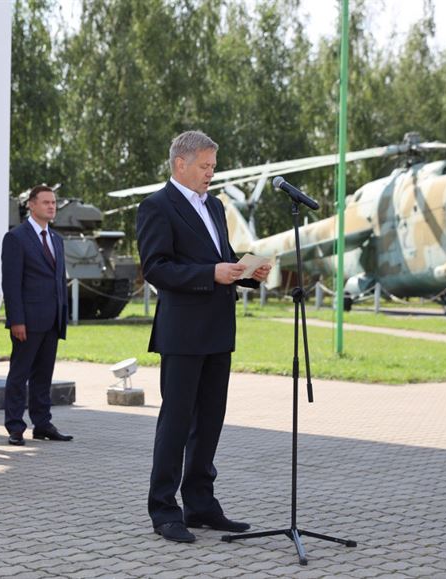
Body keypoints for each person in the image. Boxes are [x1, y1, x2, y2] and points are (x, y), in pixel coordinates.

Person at [136, 130, 271, 543]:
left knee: (209, 422)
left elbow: (220, 259)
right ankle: (164, 509)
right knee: (176, 423)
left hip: (217, 329)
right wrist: (210, 273)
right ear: (181, 164)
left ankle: (200, 504)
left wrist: (247, 273)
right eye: (205, 166)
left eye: (213, 166)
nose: (211, 173)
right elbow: (156, 267)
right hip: (182, 333)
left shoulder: (213, 205)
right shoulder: (157, 206)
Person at [0, 185, 72, 446]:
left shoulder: (56, 240)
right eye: (45, 202)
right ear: (31, 205)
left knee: (44, 375)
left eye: (53, 202)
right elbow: (11, 283)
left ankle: (42, 423)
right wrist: (16, 319)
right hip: (27, 321)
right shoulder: (16, 238)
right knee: (20, 374)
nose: (51, 206)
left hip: (52, 319)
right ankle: (15, 426)